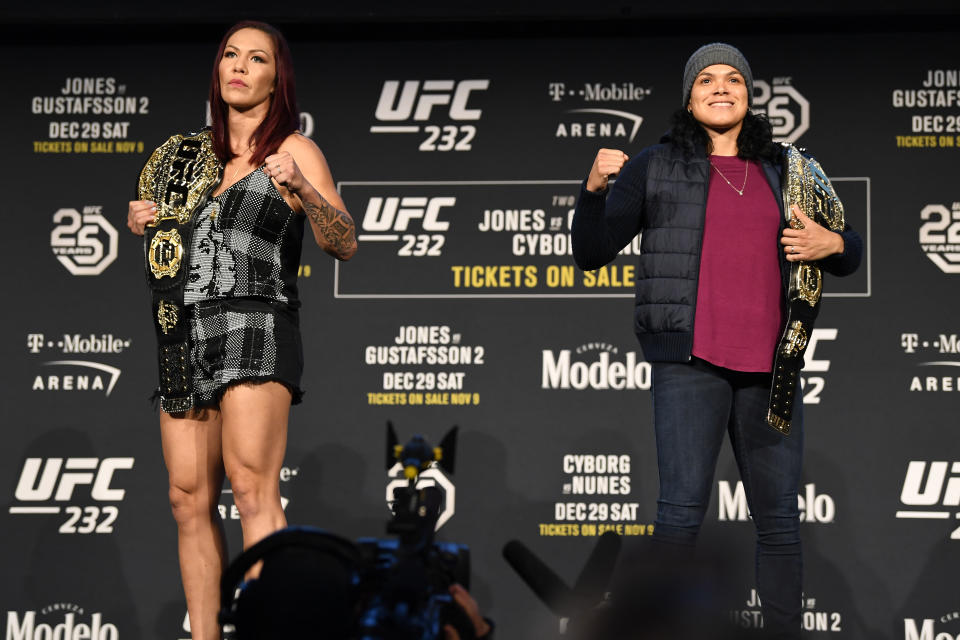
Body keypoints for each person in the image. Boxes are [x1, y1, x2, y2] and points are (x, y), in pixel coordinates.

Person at [571, 43, 861, 639]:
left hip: (771, 368)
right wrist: (594, 189)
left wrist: (831, 245)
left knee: (779, 521)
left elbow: (849, 246)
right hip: (690, 363)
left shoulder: (789, 166)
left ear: (750, 96)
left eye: (734, 79)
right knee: (680, 515)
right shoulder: (656, 163)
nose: (722, 87)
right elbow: (592, 252)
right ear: (689, 95)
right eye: (707, 79)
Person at [126, 21, 357, 640]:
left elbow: (345, 243)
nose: (239, 66)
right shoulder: (183, 158)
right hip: (182, 334)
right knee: (186, 497)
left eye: (256, 59)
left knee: (253, 490)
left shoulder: (294, 149)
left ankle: (269, 628)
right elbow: (171, 246)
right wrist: (146, 219)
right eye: (231, 54)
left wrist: (303, 187)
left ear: (276, 78)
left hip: (256, 324)